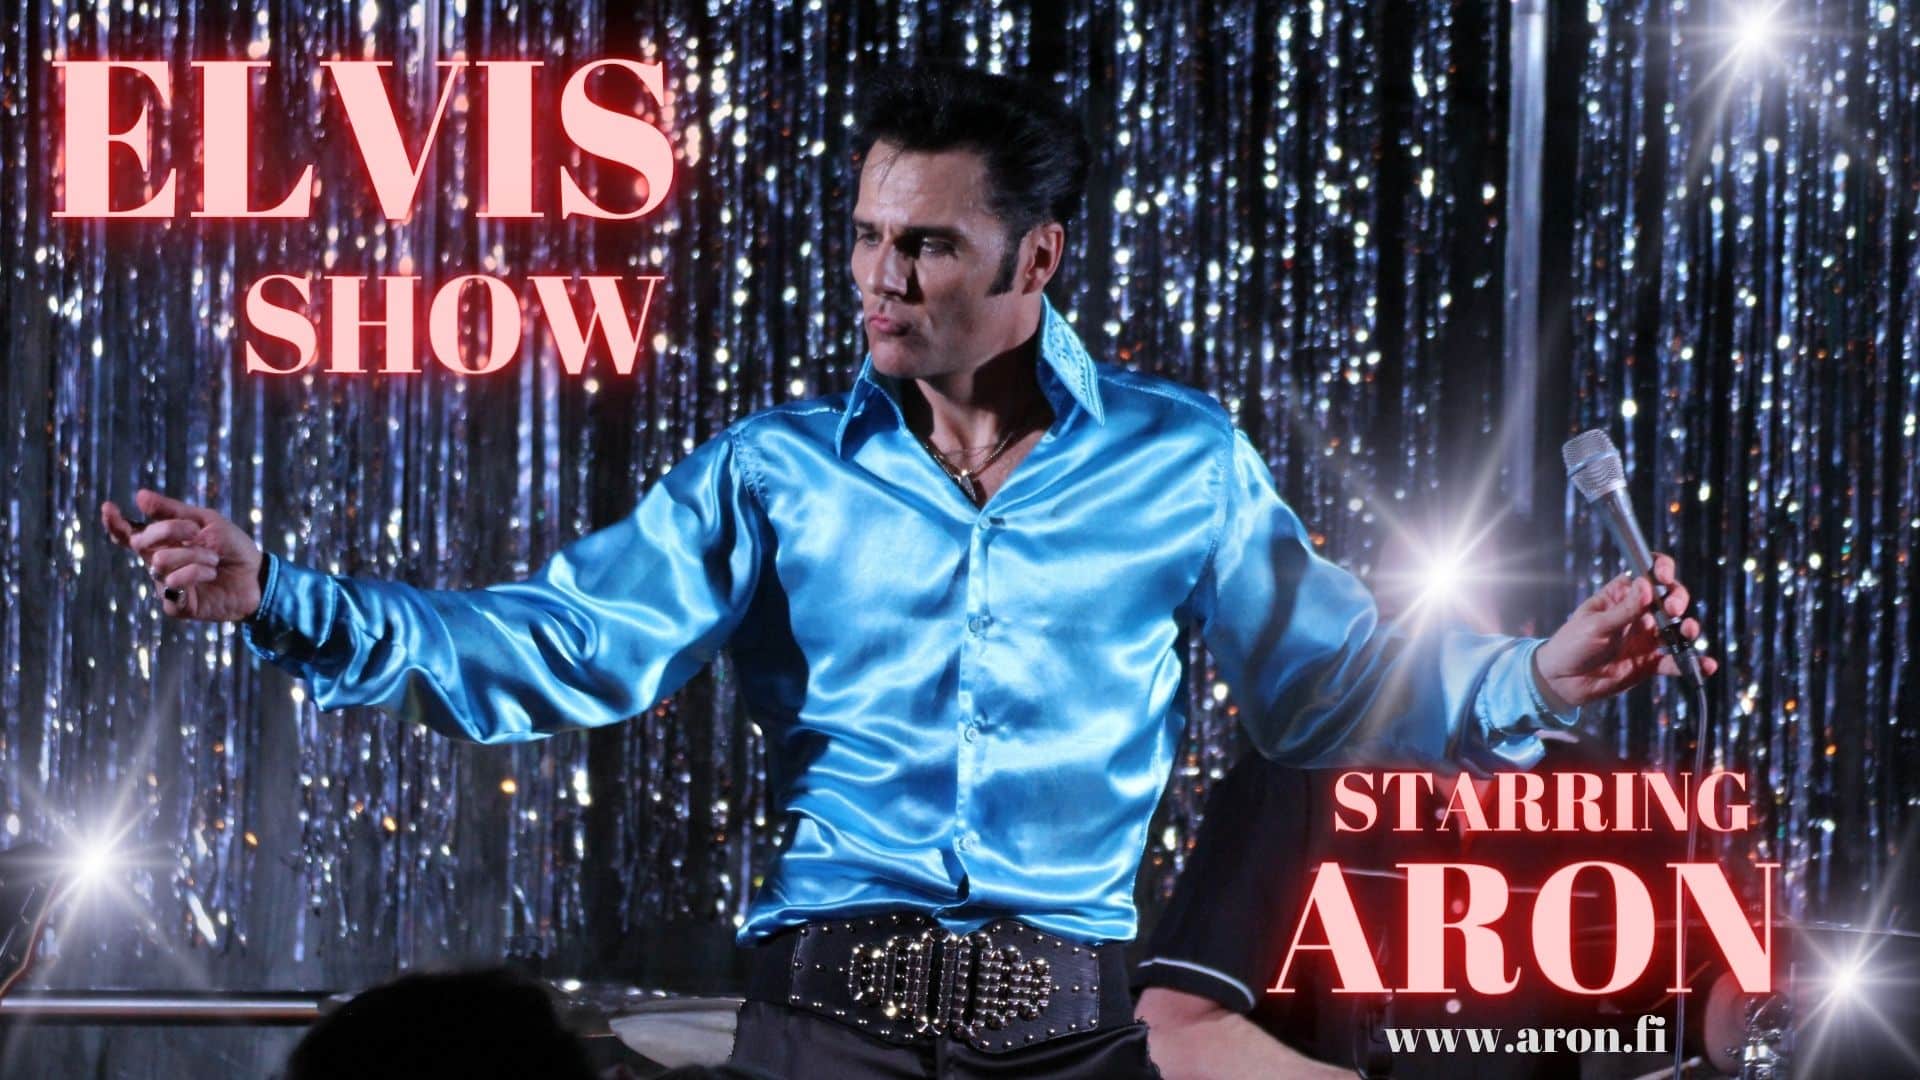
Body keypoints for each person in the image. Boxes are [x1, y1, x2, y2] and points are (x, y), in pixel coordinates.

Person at [100, 63, 1715, 1079]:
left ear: (1037, 258)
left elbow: (1330, 693)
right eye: (870, 237)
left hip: (1071, 1038)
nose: (881, 276)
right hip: (825, 1034)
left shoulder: (1182, 459)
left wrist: (1533, 678)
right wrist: (282, 598)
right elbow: (566, 647)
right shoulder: (774, 471)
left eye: (927, 243)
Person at [1131, 739, 1753, 1078]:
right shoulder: (1290, 780)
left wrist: (1763, 1013)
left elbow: (1699, 1017)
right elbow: (1171, 1034)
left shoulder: (1607, 797)